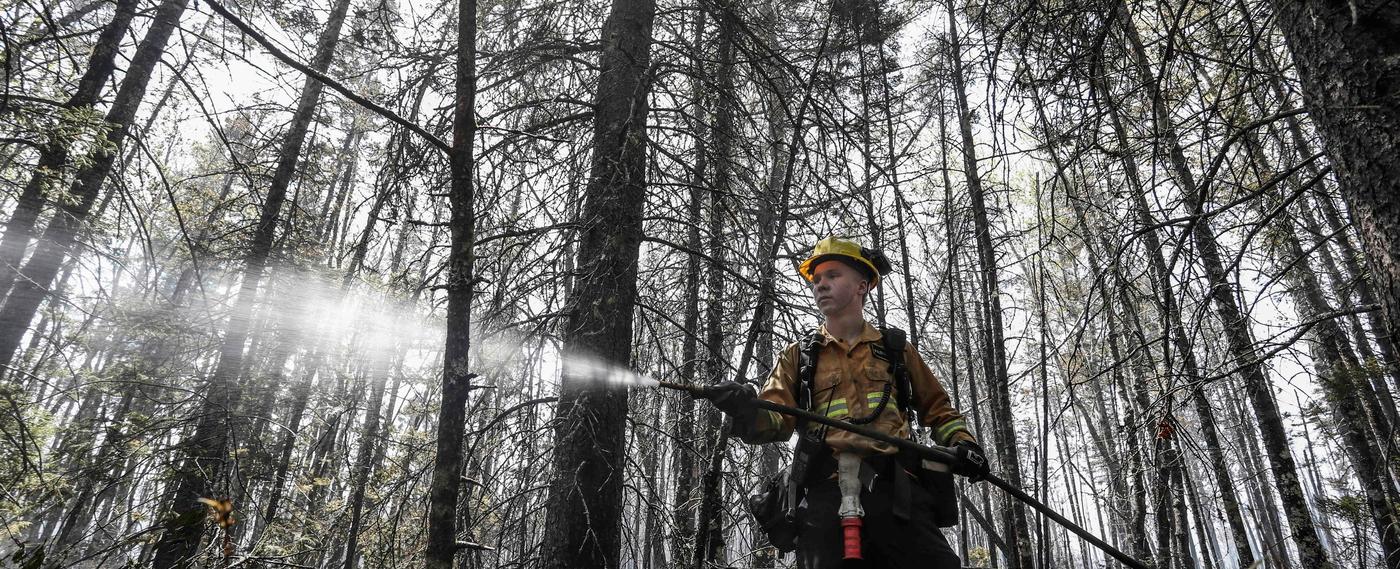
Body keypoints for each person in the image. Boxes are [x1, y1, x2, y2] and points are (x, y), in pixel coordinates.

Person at [709, 236, 988, 568]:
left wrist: (964, 444)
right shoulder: (798, 357)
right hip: (824, 501)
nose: (820, 285)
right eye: (816, 279)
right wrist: (744, 408)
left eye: (833, 275)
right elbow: (774, 423)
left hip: (896, 495)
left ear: (862, 285)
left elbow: (939, 410)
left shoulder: (896, 350)